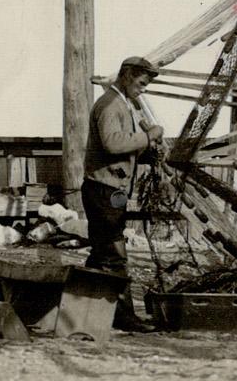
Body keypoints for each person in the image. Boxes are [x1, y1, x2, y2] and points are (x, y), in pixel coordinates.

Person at [83, 54, 163, 332]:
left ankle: (83, 309)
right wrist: (150, 135)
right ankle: (124, 317)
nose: (144, 88)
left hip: (110, 190)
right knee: (115, 254)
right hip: (104, 190)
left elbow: (124, 149)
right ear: (127, 75)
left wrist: (144, 148)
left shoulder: (123, 104)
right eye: (142, 82)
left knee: (101, 254)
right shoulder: (110, 105)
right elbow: (113, 145)